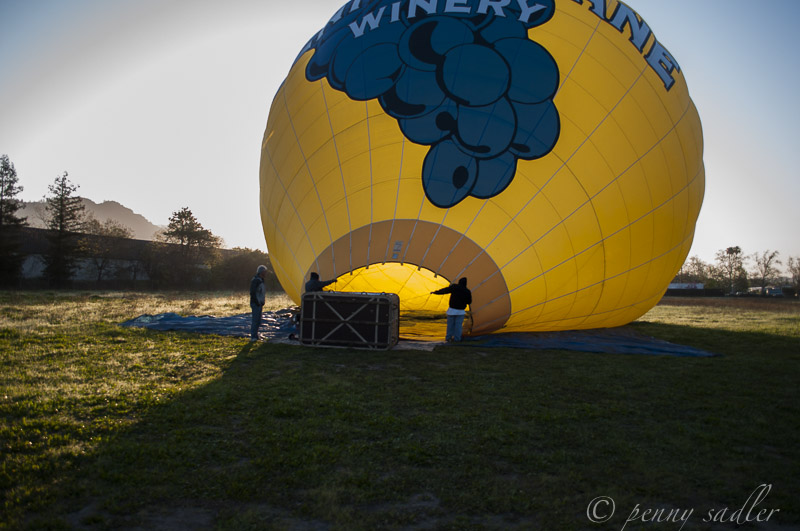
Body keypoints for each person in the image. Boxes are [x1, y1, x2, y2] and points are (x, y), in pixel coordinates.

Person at [431, 277, 472, 342]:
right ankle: (457, 339)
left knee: (450, 325)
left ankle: (448, 338)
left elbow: (445, 290)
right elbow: (469, 302)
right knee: (458, 326)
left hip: (451, 310)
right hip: (460, 312)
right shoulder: (467, 291)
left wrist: (436, 292)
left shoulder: (454, 287)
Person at [249, 265, 268, 341]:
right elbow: (253, 292)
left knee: (258, 320)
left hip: (259, 303)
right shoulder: (256, 280)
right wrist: (257, 302)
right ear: (262, 272)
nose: (266, 274)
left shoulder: (260, 280)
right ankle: (253, 336)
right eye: (265, 272)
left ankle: (256, 335)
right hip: (256, 303)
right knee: (255, 320)